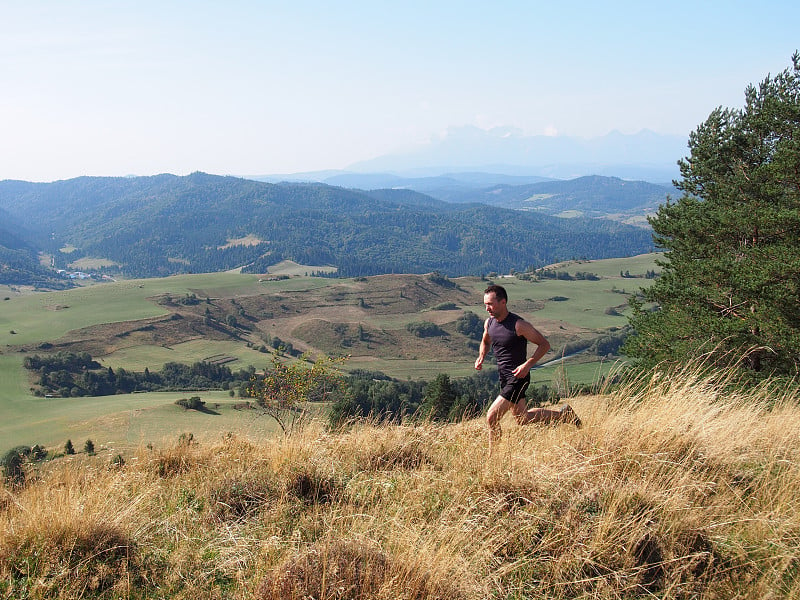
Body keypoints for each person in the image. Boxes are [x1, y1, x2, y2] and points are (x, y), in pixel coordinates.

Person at [475, 284, 581, 454]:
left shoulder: (519, 325)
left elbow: (544, 345)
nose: (487, 308)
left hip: (519, 377)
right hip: (505, 377)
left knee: (492, 417)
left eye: (490, 304)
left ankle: (492, 458)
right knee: (522, 419)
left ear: (503, 302)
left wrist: (528, 364)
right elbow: (486, 341)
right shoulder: (489, 323)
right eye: (485, 304)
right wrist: (481, 356)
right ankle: (564, 415)